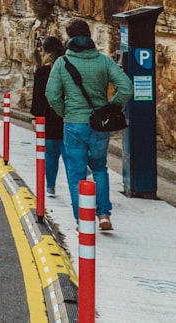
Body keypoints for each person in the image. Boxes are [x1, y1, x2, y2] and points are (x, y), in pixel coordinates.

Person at [46, 19, 133, 231]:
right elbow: (127, 88)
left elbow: (52, 94)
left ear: (70, 39)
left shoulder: (62, 63)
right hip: (99, 124)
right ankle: (103, 214)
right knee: (99, 168)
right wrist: (111, 107)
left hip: (74, 123)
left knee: (77, 174)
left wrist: (64, 112)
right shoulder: (103, 61)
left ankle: (83, 221)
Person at [30, 36, 66, 197]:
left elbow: (38, 96)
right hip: (67, 115)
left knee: (50, 154)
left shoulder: (43, 72)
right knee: (69, 152)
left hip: (48, 117)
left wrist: (34, 117)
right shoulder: (67, 68)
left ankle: (50, 187)